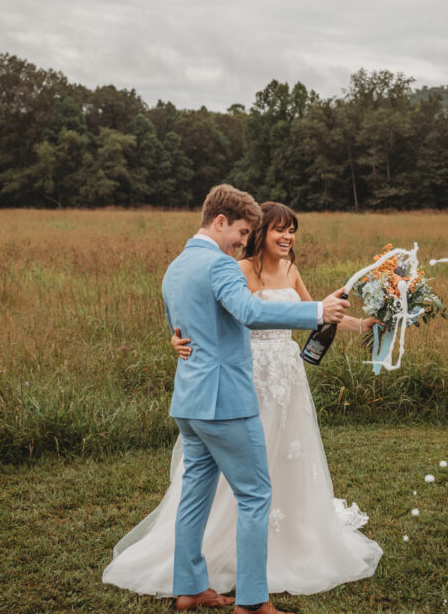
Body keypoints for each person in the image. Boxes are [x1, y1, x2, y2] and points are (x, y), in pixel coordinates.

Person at [102, 199, 382, 609]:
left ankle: (190, 588)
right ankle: (251, 601)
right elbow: (249, 311)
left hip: (189, 400)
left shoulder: (178, 265)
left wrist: (177, 341)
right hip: (226, 399)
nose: (242, 242)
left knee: (195, 492)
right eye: (243, 233)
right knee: (254, 495)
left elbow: (178, 322)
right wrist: (318, 309)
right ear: (220, 221)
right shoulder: (220, 265)